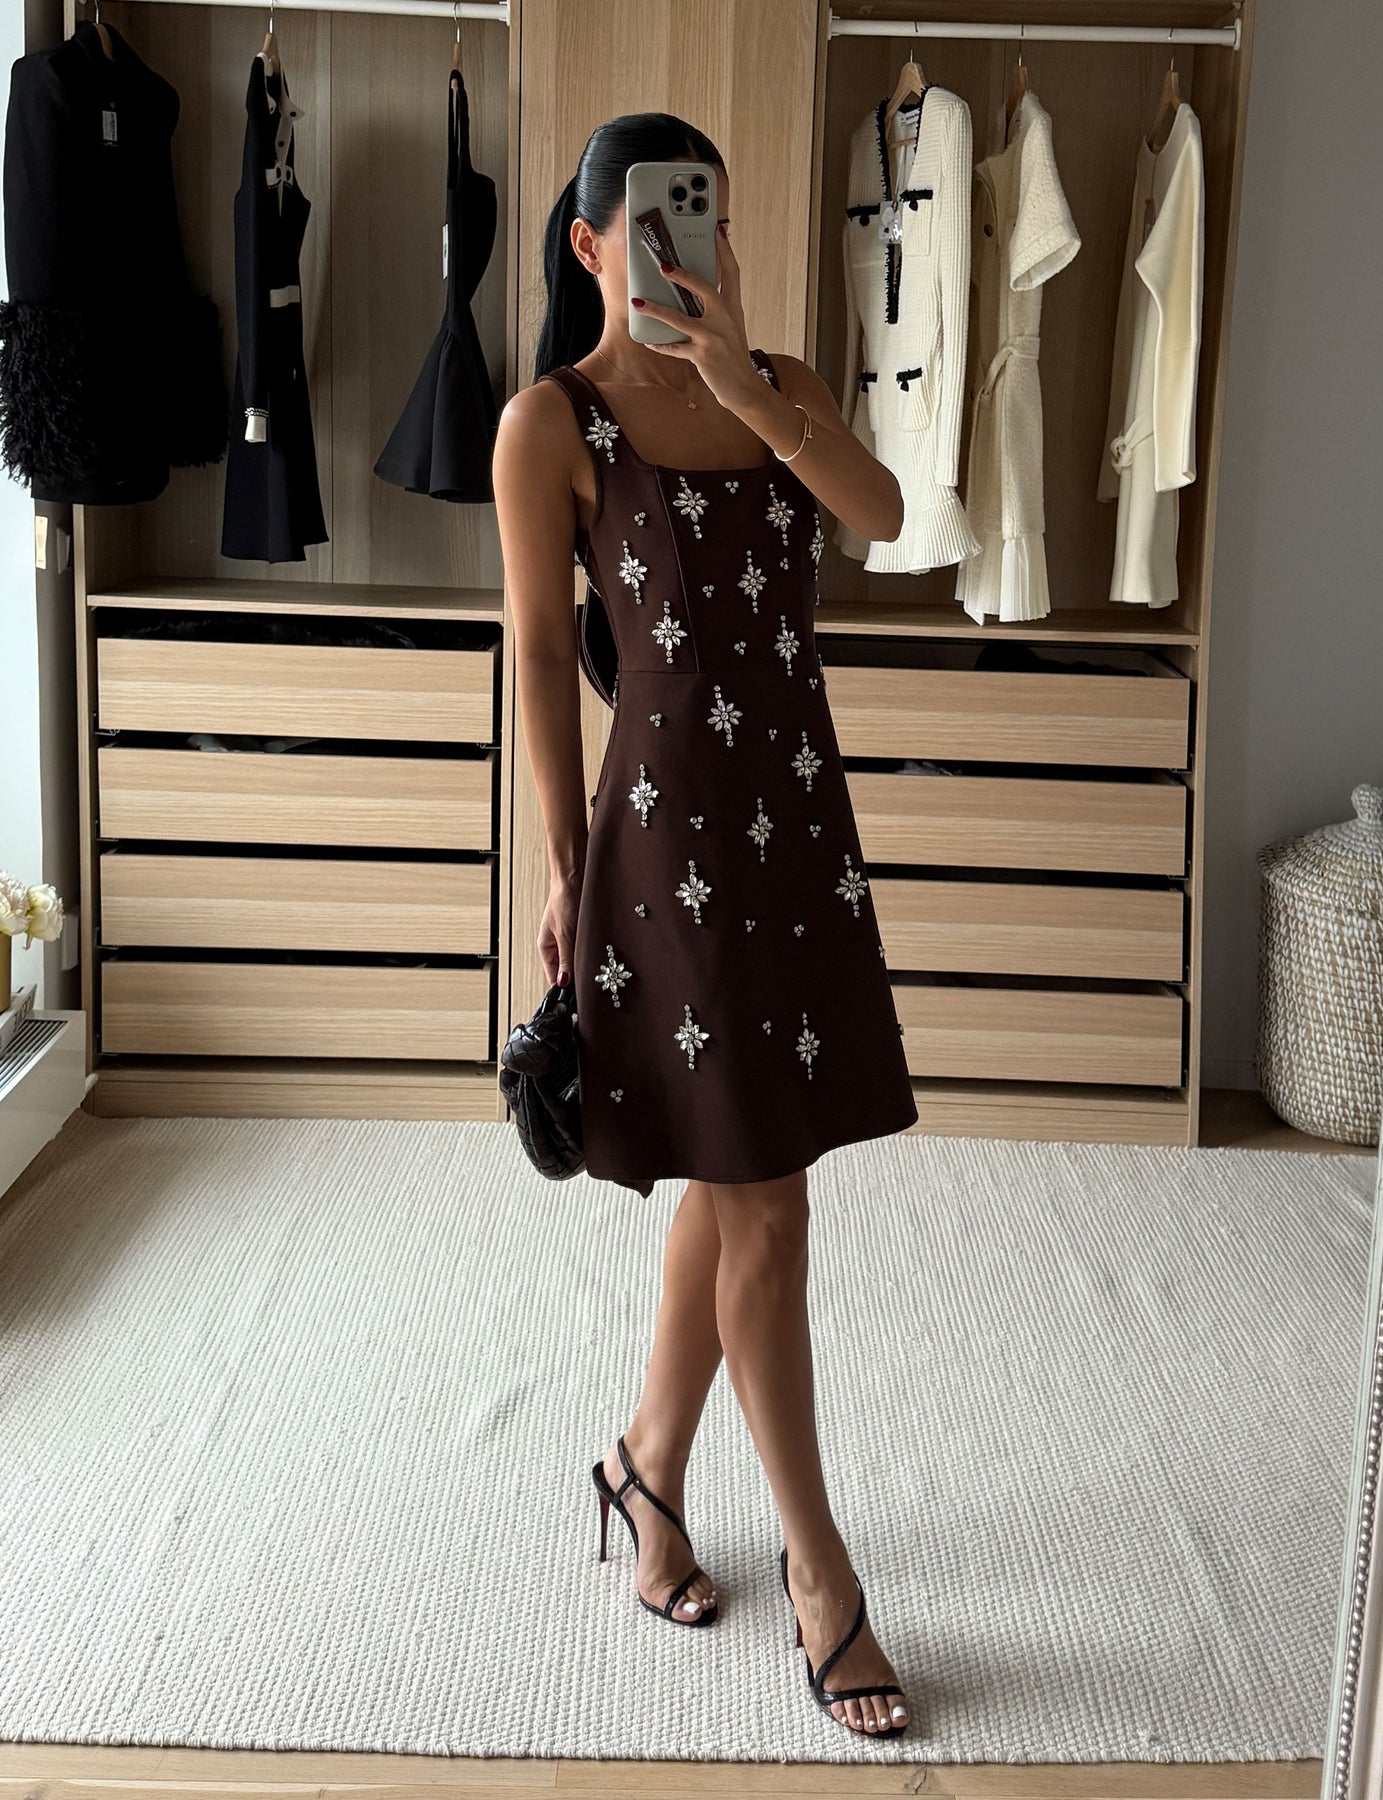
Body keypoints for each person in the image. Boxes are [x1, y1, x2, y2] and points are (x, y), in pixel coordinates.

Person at [492, 113, 918, 1741]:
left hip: (794, 830)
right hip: (663, 846)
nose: (696, 241)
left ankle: (644, 1469)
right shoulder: (552, 422)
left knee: (741, 1166)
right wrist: (559, 864)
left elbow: (881, 514)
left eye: (712, 216)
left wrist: (747, 389)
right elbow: (543, 653)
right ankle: (821, 1567)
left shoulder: (779, 385)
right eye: (664, 216)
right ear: (592, 242)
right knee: (769, 1205)